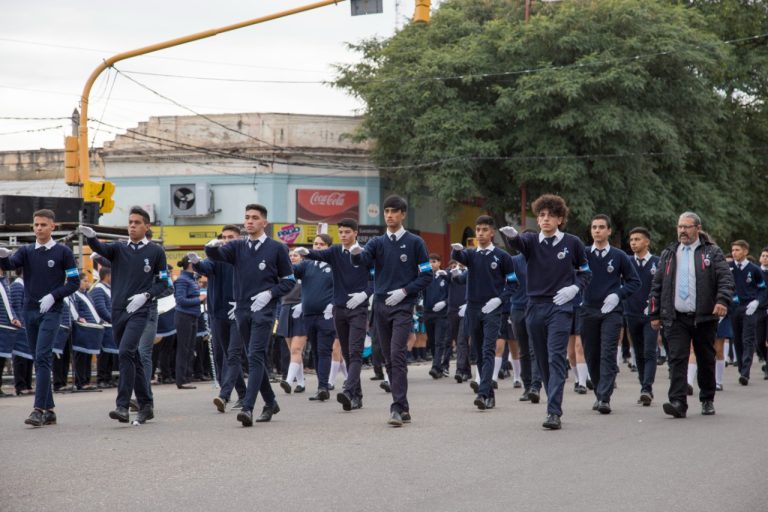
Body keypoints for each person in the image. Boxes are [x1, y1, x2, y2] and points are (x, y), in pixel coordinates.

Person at [500, 194, 592, 430]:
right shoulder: (531, 241)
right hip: (534, 306)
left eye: (551, 215)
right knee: (541, 359)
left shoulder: (572, 243)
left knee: (555, 357)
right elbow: (518, 244)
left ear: (560, 219)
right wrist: (511, 236)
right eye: (541, 215)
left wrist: (574, 288)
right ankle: (552, 396)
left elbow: (585, 272)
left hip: (560, 305)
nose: (546, 219)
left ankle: (553, 411)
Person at [205, 204, 295, 427]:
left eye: (255, 217)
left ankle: (248, 407)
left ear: (264, 222)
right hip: (242, 310)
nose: (250, 221)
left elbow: (289, 281)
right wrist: (211, 248)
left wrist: (270, 294)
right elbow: (217, 256)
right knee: (253, 357)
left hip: (264, 310)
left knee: (255, 356)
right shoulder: (237, 246)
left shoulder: (277, 248)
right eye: (247, 217)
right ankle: (270, 402)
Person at [79, 206, 169, 424]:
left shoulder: (156, 252)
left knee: (126, 352)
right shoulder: (119, 248)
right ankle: (146, 404)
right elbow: (101, 248)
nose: (132, 226)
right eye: (130, 222)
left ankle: (122, 405)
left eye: (137, 223)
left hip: (140, 309)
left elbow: (164, 283)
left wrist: (146, 295)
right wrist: (91, 238)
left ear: (147, 226)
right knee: (133, 358)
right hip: (118, 310)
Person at [350, 195, 433, 426]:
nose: (389, 215)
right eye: (386, 211)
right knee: (388, 358)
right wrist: (355, 253)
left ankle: (396, 408)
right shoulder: (377, 243)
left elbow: (427, 275)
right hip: (380, 305)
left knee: (397, 355)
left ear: (403, 214)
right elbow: (362, 262)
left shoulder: (415, 242)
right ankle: (403, 406)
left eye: (394, 211)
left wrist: (405, 291)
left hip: (403, 305)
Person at [648, 212, 734, 418]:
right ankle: (678, 402)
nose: (682, 231)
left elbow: (725, 279)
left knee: (705, 358)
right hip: (676, 317)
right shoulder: (669, 253)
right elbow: (657, 285)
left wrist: (722, 300)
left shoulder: (711, 252)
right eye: (680, 227)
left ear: (698, 228)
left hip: (704, 316)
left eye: (687, 227)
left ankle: (707, 399)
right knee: (677, 358)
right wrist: (654, 313)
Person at [0, 209, 79, 427]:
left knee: (43, 356)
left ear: (53, 226)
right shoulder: (26, 251)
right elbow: (9, 266)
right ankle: (50, 410)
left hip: (52, 311)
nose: (39, 228)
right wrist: (3, 255)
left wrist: (54, 296)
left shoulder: (63, 252)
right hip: (30, 311)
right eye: (36, 225)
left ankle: (38, 409)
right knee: (38, 358)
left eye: (43, 224)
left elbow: (74, 283)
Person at [294, 218, 373, 412]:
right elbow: (318, 254)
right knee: (347, 352)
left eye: (347, 232)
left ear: (356, 233)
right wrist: (306, 252)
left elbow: (376, 279)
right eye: (341, 232)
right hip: (339, 308)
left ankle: (348, 390)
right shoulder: (336, 251)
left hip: (358, 308)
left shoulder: (366, 253)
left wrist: (364, 294)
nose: (343, 235)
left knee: (355, 351)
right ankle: (357, 396)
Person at [451, 215, 514, 410]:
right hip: (473, 308)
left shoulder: (503, 256)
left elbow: (513, 284)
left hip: (492, 308)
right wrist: (457, 251)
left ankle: (482, 392)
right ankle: (489, 394)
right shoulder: (471, 255)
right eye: (478, 230)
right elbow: (460, 258)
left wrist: (499, 300)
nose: (480, 233)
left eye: (485, 230)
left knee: (488, 350)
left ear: (492, 232)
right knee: (477, 352)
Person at [580, 214, 640, 414]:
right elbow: (570, 275)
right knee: (591, 354)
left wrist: (618, 294)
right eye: (594, 227)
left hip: (611, 311)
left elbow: (634, 281)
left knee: (607, 353)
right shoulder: (583, 254)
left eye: (601, 227)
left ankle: (604, 397)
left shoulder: (619, 255)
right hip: (588, 310)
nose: (597, 230)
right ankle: (599, 392)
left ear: (609, 231)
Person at [189, 225, 247, 412]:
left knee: (233, 354)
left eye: (231, 237)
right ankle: (243, 395)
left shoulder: (244, 257)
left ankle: (224, 395)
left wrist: (242, 303)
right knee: (222, 356)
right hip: (217, 312)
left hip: (238, 312)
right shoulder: (216, 256)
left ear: (239, 239)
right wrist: (196, 262)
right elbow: (206, 268)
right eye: (224, 237)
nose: (226, 240)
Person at [291, 234, 336, 402]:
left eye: (321, 244)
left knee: (324, 350)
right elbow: (291, 272)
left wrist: (333, 305)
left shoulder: (334, 265)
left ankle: (323, 387)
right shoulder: (307, 265)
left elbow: (341, 286)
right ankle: (321, 386)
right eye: (315, 244)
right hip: (309, 314)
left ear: (328, 247)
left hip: (326, 315)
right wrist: (287, 259)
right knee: (316, 351)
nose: (317, 246)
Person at [624, 227, 660, 406]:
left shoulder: (657, 262)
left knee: (649, 350)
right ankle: (644, 387)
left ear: (647, 242)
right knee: (638, 352)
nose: (633, 243)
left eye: (637, 239)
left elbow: (662, 288)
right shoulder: (627, 261)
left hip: (651, 315)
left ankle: (647, 387)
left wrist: (657, 310)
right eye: (631, 240)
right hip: (631, 313)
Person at [728, 240, 766, 386]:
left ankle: (745, 372)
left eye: (737, 250)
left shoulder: (754, 269)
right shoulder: (729, 268)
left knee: (748, 339)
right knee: (737, 339)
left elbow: (762, 288)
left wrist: (757, 302)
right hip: (734, 308)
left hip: (749, 308)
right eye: (733, 250)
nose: (734, 253)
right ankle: (741, 367)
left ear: (745, 251)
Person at [173, 256, 202, 390]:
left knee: (190, 348)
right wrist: (199, 299)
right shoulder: (182, 280)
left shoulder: (192, 279)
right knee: (183, 348)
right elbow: (181, 300)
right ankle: (181, 379)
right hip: (184, 316)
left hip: (193, 316)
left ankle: (188, 377)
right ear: (190, 264)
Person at [423, 253, 450, 380]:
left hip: (441, 313)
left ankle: (435, 366)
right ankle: (438, 365)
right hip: (428, 312)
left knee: (439, 341)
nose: (432, 264)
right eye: (430, 262)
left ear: (439, 263)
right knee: (432, 341)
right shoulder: (426, 277)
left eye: (434, 261)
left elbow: (452, 294)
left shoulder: (445, 276)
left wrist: (445, 302)